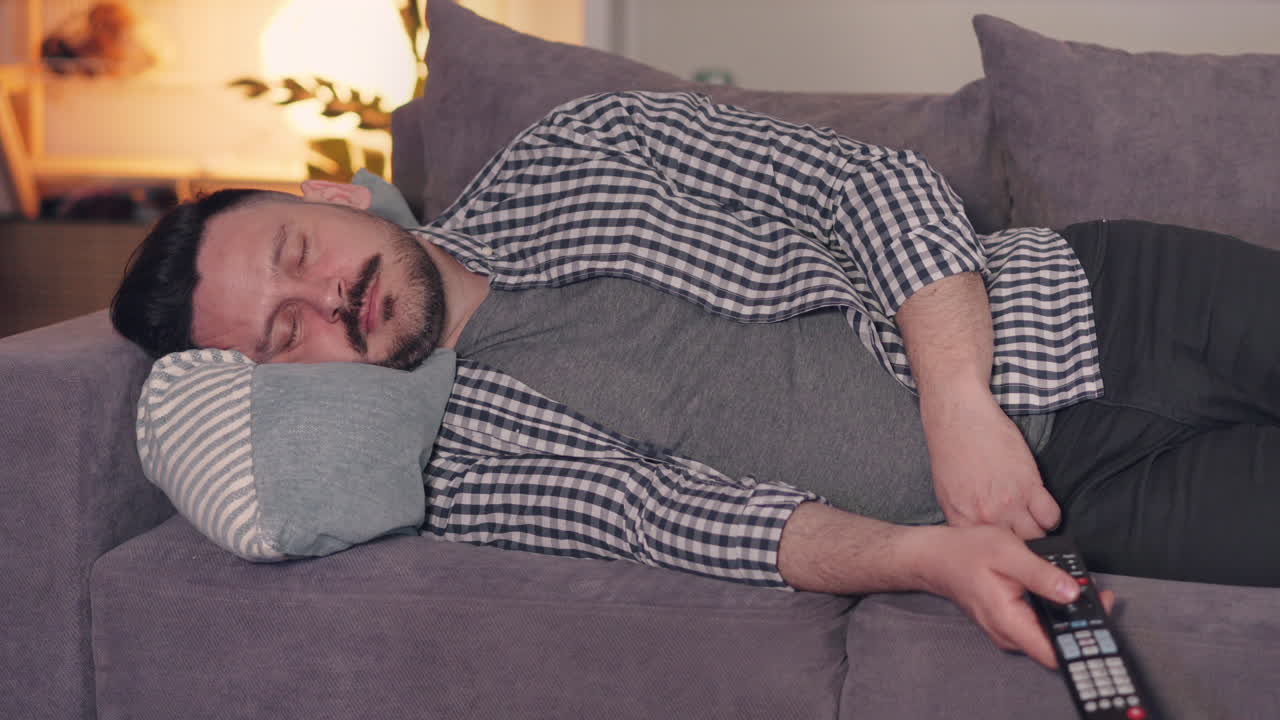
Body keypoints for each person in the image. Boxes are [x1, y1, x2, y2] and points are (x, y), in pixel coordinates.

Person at [110, 91, 1280, 669]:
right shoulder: (455, 470)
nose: (328, 305)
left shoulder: (575, 145)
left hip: (1110, 299)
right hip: (1071, 505)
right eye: (281, 337)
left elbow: (867, 186)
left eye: (299, 258)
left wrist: (956, 403)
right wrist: (923, 554)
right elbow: (671, 520)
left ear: (328, 199)